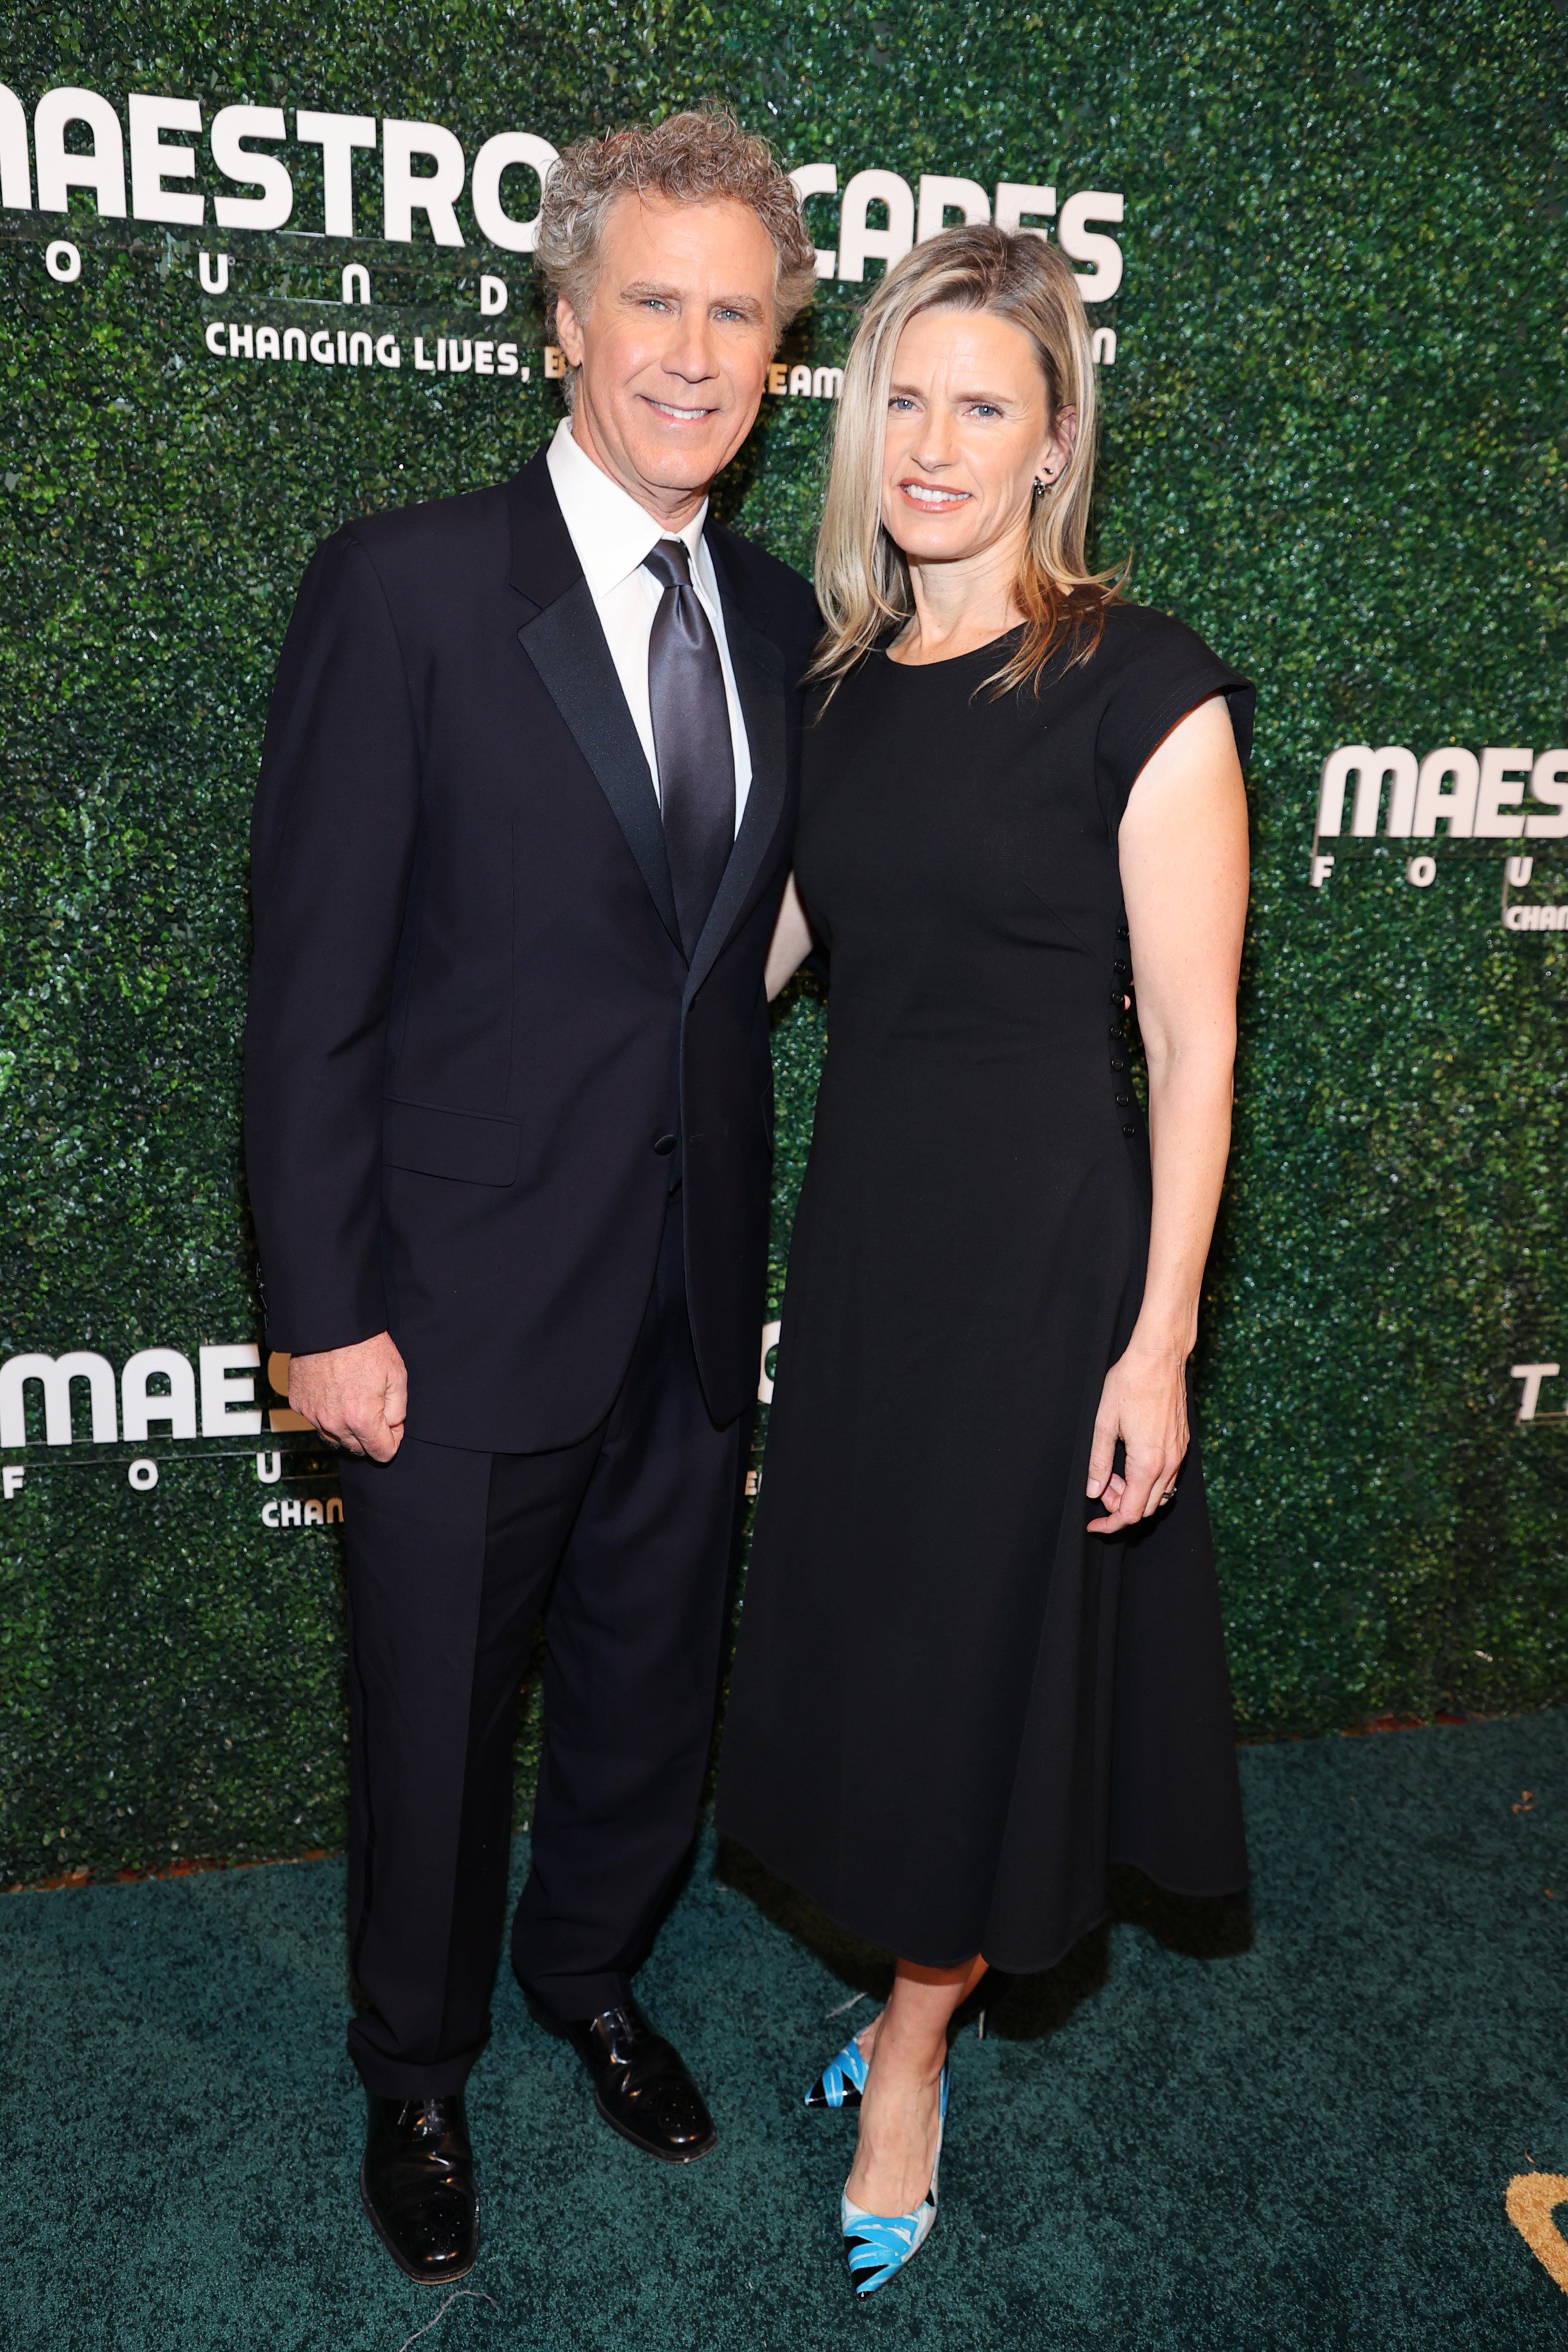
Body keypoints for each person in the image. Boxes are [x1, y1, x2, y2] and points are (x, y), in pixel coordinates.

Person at [244, 112, 818, 2283]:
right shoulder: (402, 585)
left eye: (736, 312)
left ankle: (590, 1971)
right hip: (450, 1307)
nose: (690, 348)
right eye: (650, 300)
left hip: (682, 1296)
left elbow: (741, 941)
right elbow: (308, 989)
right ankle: (418, 2063)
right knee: (427, 1720)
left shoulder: (779, 617)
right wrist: (320, 1307)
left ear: (780, 355)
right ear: (564, 322)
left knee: (648, 1690)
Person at [717, 222, 1253, 2297]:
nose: (935, 444)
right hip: (866, 1246)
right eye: (904, 400)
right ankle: (896, 1983)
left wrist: (1159, 1339)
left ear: (1051, 447)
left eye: (985, 408)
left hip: (1039, 1259)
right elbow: (755, 966)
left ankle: (915, 2052)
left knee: (964, 1666)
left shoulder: (1139, 679)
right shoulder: (840, 690)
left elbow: (1197, 1040)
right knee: (873, 1637)